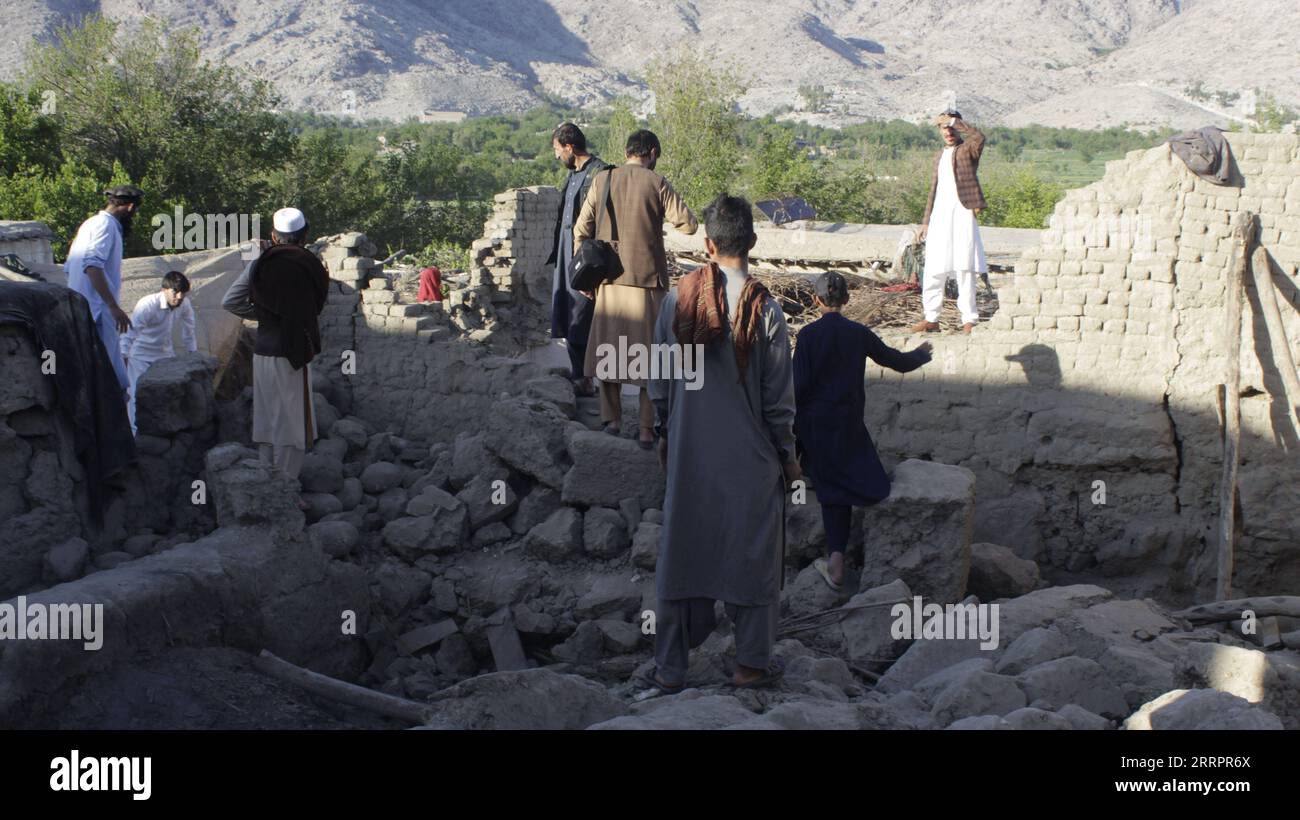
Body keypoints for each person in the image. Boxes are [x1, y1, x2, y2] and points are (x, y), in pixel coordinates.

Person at [642, 193, 799, 693]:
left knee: (684, 551)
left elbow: (660, 382)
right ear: (751, 242)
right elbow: (778, 404)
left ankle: (670, 668)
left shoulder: (676, 301)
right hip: (751, 462)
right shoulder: (767, 310)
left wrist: (665, 431)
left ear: (707, 244)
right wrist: (788, 458)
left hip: (690, 454)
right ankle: (750, 665)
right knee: (753, 556)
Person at [795, 272, 932, 590]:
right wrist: (921, 355)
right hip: (848, 426)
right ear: (846, 300)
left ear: (816, 301)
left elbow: (797, 388)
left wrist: (792, 437)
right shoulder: (858, 333)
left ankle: (835, 562)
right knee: (873, 486)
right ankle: (840, 560)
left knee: (831, 493)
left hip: (815, 428)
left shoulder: (807, 337)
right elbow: (896, 362)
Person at [574, 129, 697, 448]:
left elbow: (580, 230)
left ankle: (611, 422)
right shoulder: (657, 183)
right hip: (647, 283)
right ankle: (645, 429)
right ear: (652, 152)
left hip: (609, 281)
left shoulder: (602, 180)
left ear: (627, 151)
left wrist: (587, 279)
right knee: (648, 357)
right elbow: (688, 224)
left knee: (608, 353)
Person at [221, 207, 328, 482]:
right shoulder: (310, 264)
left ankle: (265, 478)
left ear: (273, 235)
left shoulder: (260, 264)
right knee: (292, 423)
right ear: (304, 236)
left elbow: (230, 301)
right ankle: (284, 485)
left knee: (267, 418)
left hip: (263, 351)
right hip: (292, 352)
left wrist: (266, 316)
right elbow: (314, 306)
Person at [547, 122, 612, 397]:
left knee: (582, 319)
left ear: (569, 146)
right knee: (566, 315)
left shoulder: (601, 173)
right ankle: (580, 376)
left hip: (585, 260)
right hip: (566, 257)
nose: (556, 156)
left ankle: (591, 379)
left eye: (557, 149)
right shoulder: (573, 174)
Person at [912, 110, 988, 334]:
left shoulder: (968, 149)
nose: (948, 131)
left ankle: (969, 320)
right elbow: (933, 190)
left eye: (951, 127)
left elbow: (980, 138)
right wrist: (925, 221)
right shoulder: (938, 156)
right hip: (940, 215)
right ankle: (931, 318)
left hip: (963, 211)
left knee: (965, 265)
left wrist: (957, 121)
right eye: (944, 127)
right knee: (935, 267)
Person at [65, 184, 145, 394]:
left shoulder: (89, 224)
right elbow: (92, 265)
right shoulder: (105, 226)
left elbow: (69, 268)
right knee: (107, 378)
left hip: (81, 310)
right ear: (129, 207)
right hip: (97, 312)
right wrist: (112, 306)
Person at [120, 270, 198, 433]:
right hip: (140, 357)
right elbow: (129, 334)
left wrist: (194, 356)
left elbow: (189, 331)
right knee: (134, 398)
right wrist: (123, 358)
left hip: (165, 357)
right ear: (164, 289)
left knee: (169, 395)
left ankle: (166, 433)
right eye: (175, 292)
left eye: (182, 293)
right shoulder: (148, 305)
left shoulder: (184, 304)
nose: (179, 297)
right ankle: (134, 435)